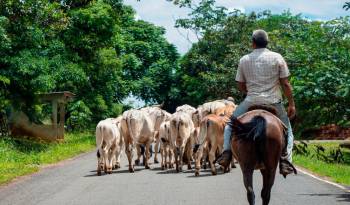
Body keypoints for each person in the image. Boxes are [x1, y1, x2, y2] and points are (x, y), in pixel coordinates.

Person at [217, 29, 296, 176]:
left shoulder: (244, 59)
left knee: (229, 125)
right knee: (288, 131)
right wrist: (291, 104)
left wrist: (250, 92)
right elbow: (285, 84)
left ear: (253, 43)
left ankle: (226, 153)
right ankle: (285, 160)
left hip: (251, 100)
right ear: (267, 43)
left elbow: (240, 84)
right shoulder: (277, 57)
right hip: (274, 102)